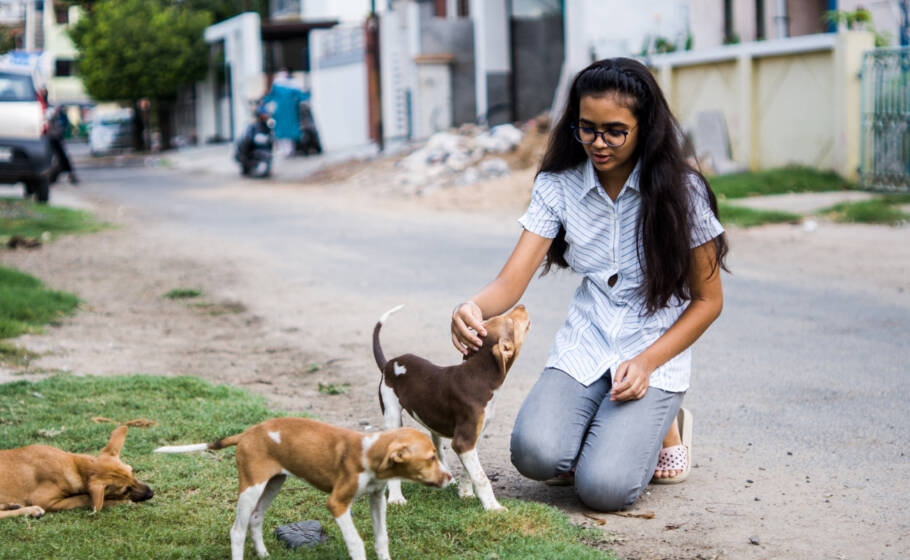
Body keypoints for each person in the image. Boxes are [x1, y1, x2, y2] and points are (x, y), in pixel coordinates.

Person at [450, 57, 728, 512]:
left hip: (653, 350)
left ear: (645, 128)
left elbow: (708, 301)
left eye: (615, 131)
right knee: (536, 455)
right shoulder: (557, 186)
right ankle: (611, 424)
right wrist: (472, 307)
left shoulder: (684, 192)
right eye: (587, 128)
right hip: (587, 341)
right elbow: (510, 281)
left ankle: (666, 422)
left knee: (604, 489)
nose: (599, 143)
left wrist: (647, 363)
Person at [260, 68, 310, 158]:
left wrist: (263, 102)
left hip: (281, 112)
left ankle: (285, 150)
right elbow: (303, 96)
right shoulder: (293, 85)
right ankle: (289, 150)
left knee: (282, 132)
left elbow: (270, 97)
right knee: (289, 132)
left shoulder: (278, 85)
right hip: (290, 113)